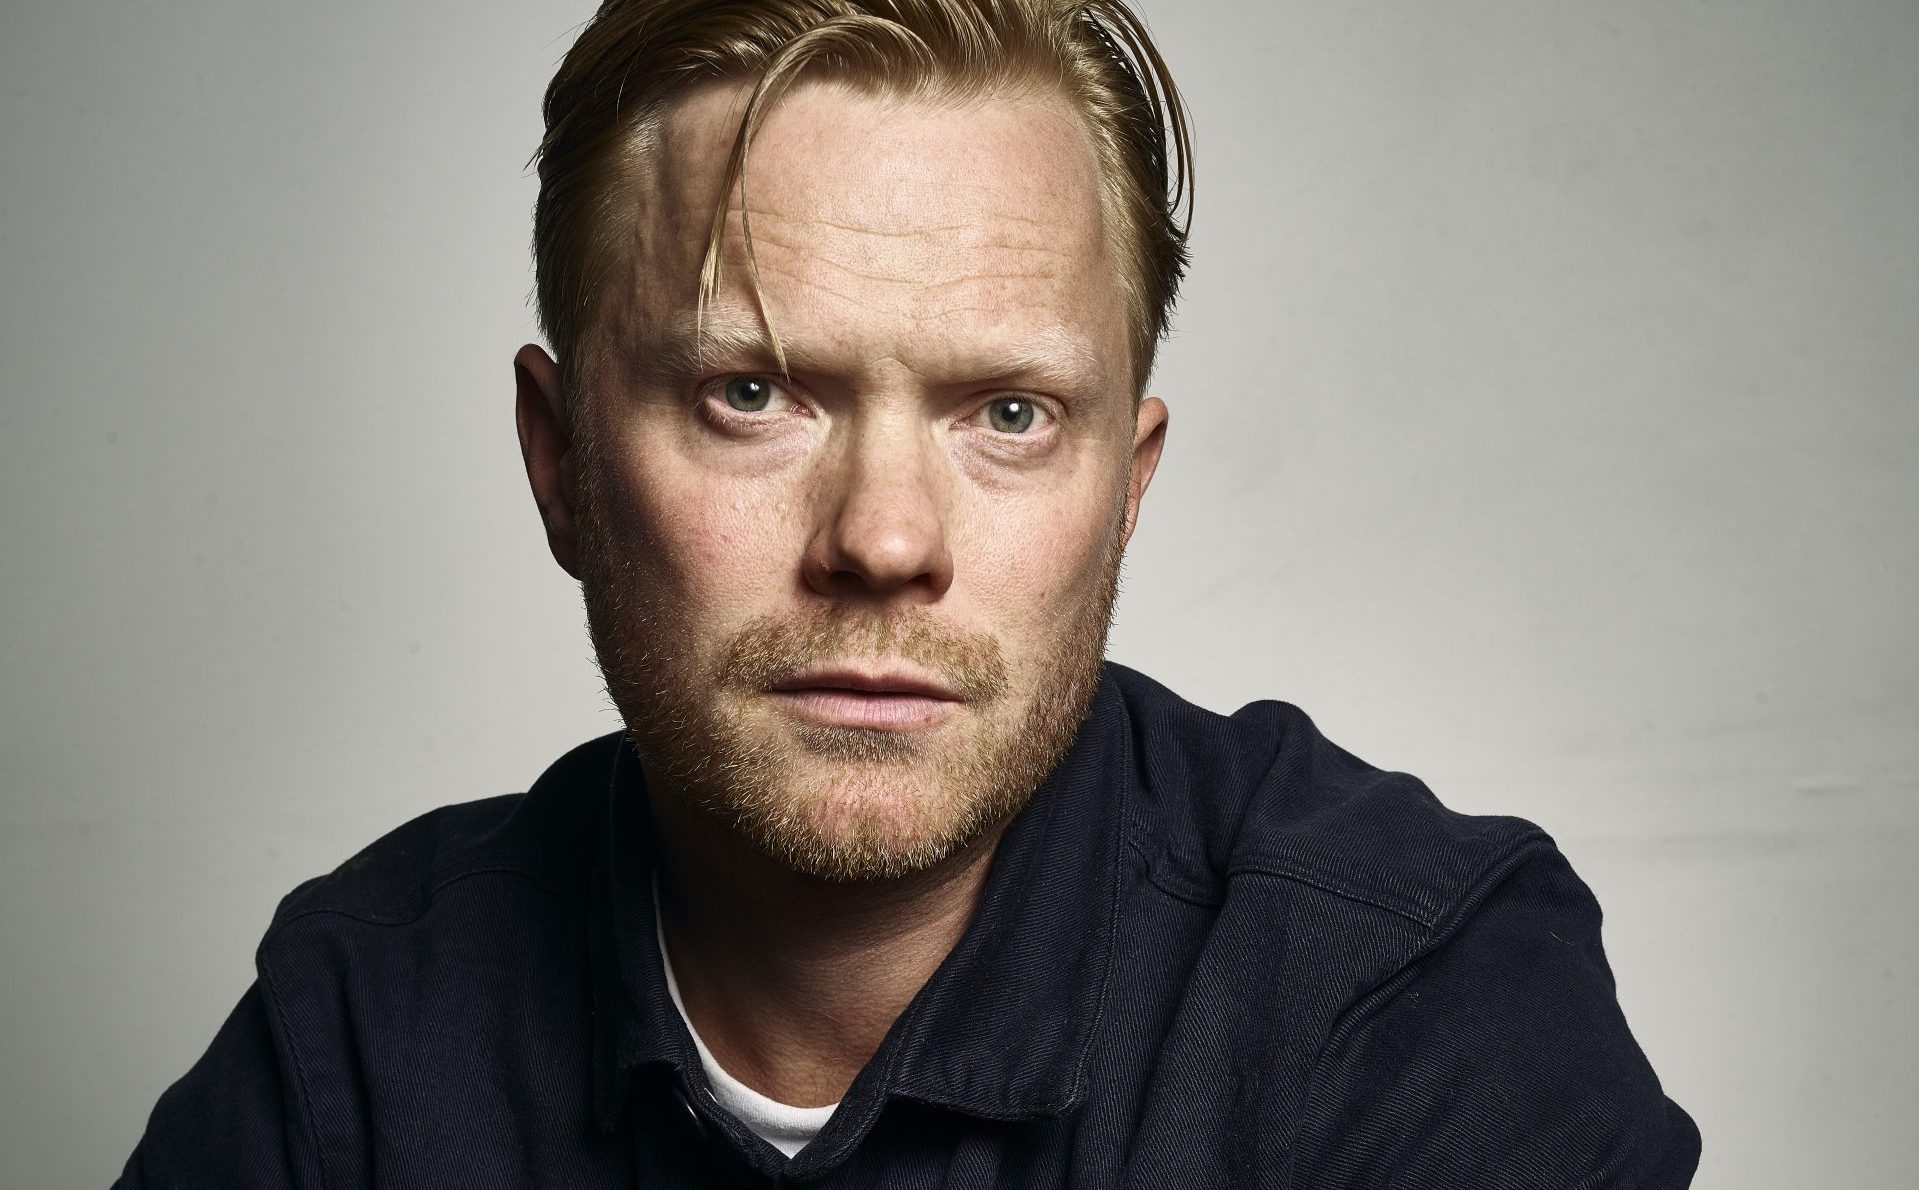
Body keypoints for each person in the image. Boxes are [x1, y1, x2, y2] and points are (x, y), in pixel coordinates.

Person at [116, 1, 1700, 1186]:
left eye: (1008, 413)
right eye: (751, 392)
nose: (884, 539)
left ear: (1127, 487)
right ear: (562, 464)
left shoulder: (1412, 1007)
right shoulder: (364, 1038)